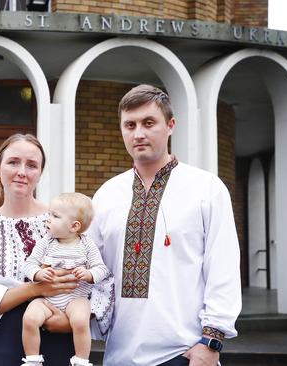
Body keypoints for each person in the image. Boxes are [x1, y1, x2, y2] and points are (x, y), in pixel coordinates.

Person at [88, 84, 242, 366]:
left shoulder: (206, 188)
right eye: (130, 125)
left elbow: (223, 267)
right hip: (119, 354)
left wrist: (211, 341)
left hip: (185, 352)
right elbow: (92, 269)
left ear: (170, 125)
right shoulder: (106, 195)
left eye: (149, 123)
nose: (139, 133)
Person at [0, 134, 82, 366]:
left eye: (31, 165)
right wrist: (36, 288)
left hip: (58, 333)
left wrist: (71, 321)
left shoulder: (63, 221)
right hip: (2, 340)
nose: (22, 171)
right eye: (13, 162)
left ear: (39, 173)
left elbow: (90, 277)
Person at [21, 193, 109, 366]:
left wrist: (89, 274)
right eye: (49, 214)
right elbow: (29, 264)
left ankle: (81, 360)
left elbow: (101, 269)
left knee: (80, 321)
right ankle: (32, 359)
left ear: (74, 226)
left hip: (75, 298)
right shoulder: (46, 242)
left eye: (55, 216)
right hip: (46, 299)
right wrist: (38, 274)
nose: (48, 219)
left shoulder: (86, 244)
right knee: (30, 318)